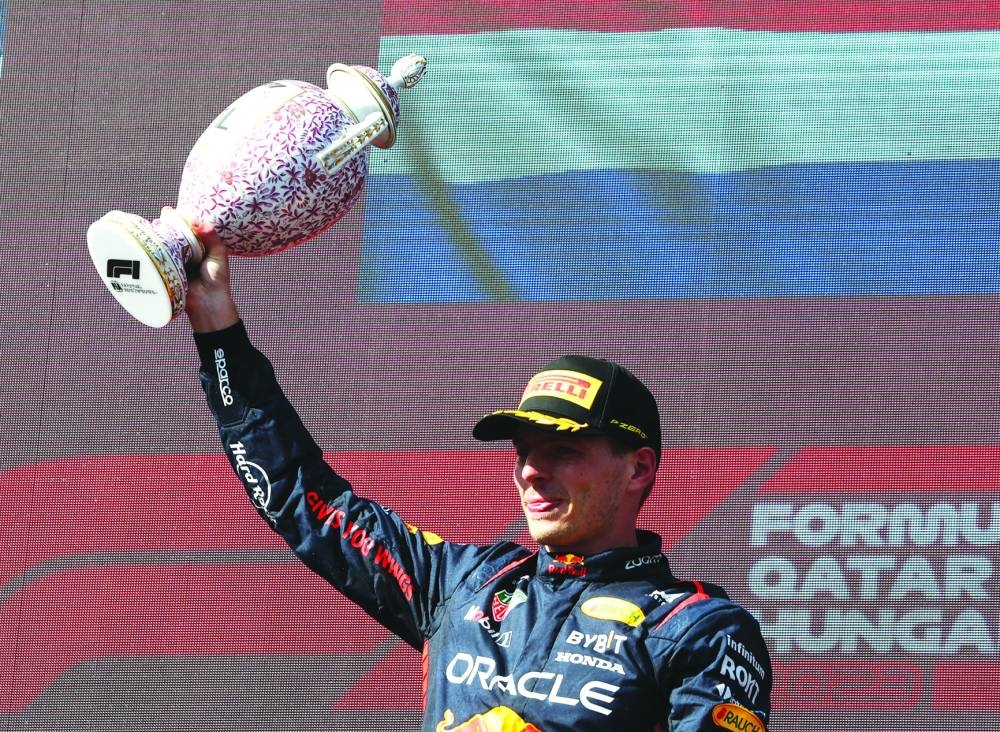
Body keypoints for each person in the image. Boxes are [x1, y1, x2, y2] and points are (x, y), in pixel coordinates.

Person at [185, 220, 773, 732]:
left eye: (563, 450)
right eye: (523, 450)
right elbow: (301, 497)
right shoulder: (463, 584)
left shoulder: (700, 628)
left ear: (638, 467)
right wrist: (216, 328)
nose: (531, 471)